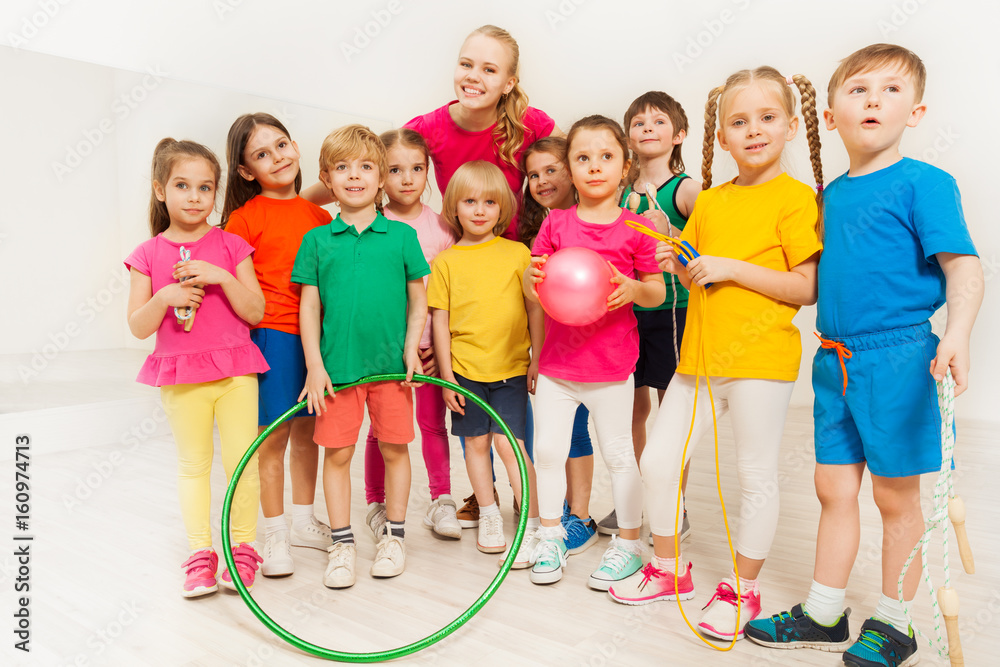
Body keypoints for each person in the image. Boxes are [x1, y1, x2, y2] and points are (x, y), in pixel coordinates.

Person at [745, 44, 983, 667]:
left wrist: (955, 334)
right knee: (832, 488)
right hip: (835, 359)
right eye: (858, 90)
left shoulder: (926, 184)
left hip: (900, 359)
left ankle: (896, 622)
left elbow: (965, 269)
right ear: (829, 115)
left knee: (895, 497)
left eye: (890, 90)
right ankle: (825, 611)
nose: (874, 99)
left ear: (917, 111)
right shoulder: (833, 195)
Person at [609, 67, 825, 645]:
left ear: (788, 126)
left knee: (753, 476)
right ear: (721, 138)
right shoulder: (711, 200)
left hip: (758, 360)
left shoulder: (796, 199)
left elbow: (805, 287)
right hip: (697, 360)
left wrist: (728, 268)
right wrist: (674, 254)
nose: (753, 130)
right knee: (657, 462)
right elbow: (697, 275)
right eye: (738, 122)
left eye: (766, 118)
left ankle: (741, 590)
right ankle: (668, 570)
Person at [523, 115, 665, 589]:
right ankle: (549, 536)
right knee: (546, 451)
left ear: (625, 167)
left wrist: (630, 287)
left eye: (606, 157)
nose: (595, 167)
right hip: (559, 367)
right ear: (569, 168)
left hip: (610, 368)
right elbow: (536, 284)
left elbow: (657, 293)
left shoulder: (637, 228)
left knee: (620, 455)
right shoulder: (556, 223)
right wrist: (532, 280)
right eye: (583, 158)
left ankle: (627, 546)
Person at [125, 138, 268, 597]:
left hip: (235, 374)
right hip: (181, 376)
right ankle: (200, 554)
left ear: (215, 192)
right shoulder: (147, 254)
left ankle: (243, 550)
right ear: (160, 190)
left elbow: (255, 312)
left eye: (205, 188)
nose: (194, 197)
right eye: (182, 185)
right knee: (193, 465)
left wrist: (222, 276)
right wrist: (164, 297)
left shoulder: (231, 246)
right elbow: (137, 327)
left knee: (242, 463)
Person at [292, 125, 429, 589]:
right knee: (337, 454)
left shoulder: (402, 236)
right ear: (327, 179)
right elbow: (308, 306)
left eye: (366, 166)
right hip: (338, 372)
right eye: (343, 168)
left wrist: (411, 348)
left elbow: (418, 300)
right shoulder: (316, 241)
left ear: (381, 178)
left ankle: (393, 536)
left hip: (391, 369)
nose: (355, 176)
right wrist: (314, 365)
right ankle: (342, 542)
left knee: (395, 448)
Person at [221, 113, 333, 578]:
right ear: (247, 172)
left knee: (310, 434)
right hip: (271, 338)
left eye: (281, 145)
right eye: (261, 154)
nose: (277, 157)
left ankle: (305, 521)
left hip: (317, 341)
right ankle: (275, 532)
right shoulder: (243, 220)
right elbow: (233, 293)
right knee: (274, 439)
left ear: (296, 147)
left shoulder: (320, 216)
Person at [597, 91, 702, 542]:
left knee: (672, 409)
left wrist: (671, 233)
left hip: (674, 311)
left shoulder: (688, 190)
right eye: (638, 123)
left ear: (678, 135)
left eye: (658, 122)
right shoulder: (618, 191)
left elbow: (711, 252)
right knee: (630, 406)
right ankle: (639, 498)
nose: (647, 129)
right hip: (627, 311)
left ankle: (672, 502)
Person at [429, 160, 543, 566]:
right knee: (475, 444)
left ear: (503, 208)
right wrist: (445, 376)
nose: (479, 210)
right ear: (454, 208)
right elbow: (439, 321)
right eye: (470, 201)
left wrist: (537, 358)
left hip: (511, 369)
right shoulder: (445, 262)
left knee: (510, 446)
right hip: (464, 372)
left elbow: (535, 310)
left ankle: (531, 523)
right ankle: (490, 513)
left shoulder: (517, 253)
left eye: (490, 202)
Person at [362, 128, 461, 542]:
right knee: (381, 429)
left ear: (428, 172)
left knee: (432, 424)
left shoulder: (441, 228)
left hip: (428, 351)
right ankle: (376, 503)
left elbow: (448, 296)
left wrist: (440, 350)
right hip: (384, 351)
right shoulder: (369, 224)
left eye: (416, 169)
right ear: (380, 175)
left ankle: (442, 500)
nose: (407, 179)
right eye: (396, 170)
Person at [521, 137, 598, 555]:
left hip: (590, 349)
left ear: (572, 169)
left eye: (551, 169)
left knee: (577, 431)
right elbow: (537, 299)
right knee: (555, 435)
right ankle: (565, 508)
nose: (541, 180)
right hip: (556, 351)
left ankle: (581, 516)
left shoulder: (591, 223)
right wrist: (536, 353)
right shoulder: (547, 228)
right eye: (533, 175)